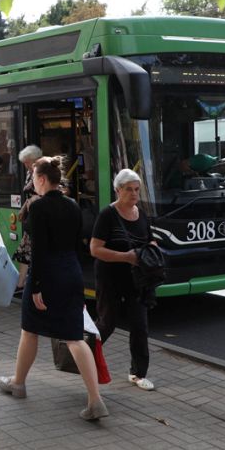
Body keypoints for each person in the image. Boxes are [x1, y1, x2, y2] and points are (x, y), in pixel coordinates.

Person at [0, 156, 108, 421]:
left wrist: (35, 287)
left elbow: (40, 251)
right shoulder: (73, 205)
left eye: (34, 177)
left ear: (42, 179)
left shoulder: (38, 208)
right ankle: (95, 399)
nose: (32, 182)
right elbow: (76, 244)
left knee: (29, 330)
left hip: (46, 274)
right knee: (74, 337)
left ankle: (18, 383)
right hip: (71, 273)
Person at [89, 168, 157, 391]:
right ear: (118, 190)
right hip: (110, 278)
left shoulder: (141, 214)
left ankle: (138, 373)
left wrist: (153, 252)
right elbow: (95, 249)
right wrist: (125, 257)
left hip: (136, 280)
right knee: (107, 322)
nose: (134, 194)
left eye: (137, 189)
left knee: (140, 325)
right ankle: (83, 358)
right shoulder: (107, 215)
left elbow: (149, 240)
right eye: (129, 189)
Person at [13, 144, 42, 290]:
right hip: (31, 216)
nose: (25, 165)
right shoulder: (30, 172)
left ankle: (22, 282)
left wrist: (33, 200)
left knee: (29, 249)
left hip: (41, 216)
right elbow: (29, 195)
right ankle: (21, 282)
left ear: (35, 159)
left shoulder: (43, 171)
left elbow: (62, 189)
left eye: (26, 162)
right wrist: (25, 207)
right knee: (25, 249)